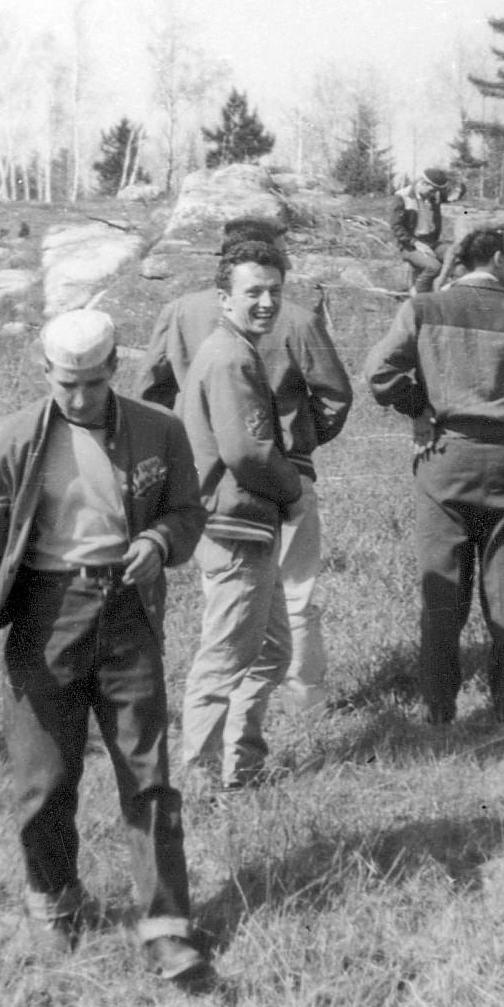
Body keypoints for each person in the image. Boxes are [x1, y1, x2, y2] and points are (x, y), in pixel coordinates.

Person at [0, 309, 211, 982]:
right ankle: (53, 900)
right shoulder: (10, 439)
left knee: (147, 776)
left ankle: (166, 923)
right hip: (45, 613)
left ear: (114, 367)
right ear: (44, 371)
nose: (81, 397)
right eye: (67, 384)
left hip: (126, 612)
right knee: (45, 777)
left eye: (94, 382)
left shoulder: (160, 429)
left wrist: (158, 541)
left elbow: (187, 511)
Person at [139, 217, 352, 718]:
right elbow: (335, 395)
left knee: (225, 591)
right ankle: (304, 702)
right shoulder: (295, 317)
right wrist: (298, 445)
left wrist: (187, 448)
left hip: (207, 482)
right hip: (283, 475)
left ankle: (232, 702)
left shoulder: (179, 311)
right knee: (294, 592)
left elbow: (152, 394)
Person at [364, 213, 504, 724]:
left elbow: (379, 371)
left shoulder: (424, 307)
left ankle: (439, 711)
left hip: (444, 457)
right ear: (497, 256)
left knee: (442, 592)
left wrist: (419, 408)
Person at [180, 241, 305, 788]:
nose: (266, 302)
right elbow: (247, 452)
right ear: (224, 297)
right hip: (235, 528)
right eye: (253, 291)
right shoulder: (231, 357)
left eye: (275, 291)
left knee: (272, 651)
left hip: (245, 526)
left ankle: (242, 768)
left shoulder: (233, 349)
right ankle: (200, 786)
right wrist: (293, 491)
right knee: (224, 659)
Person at [390, 167, 467, 294]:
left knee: (456, 254)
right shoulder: (402, 197)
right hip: (410, 245)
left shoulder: (433, 195)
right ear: (423, 183)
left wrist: (460, 185)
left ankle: (449, 293)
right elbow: (396, 227)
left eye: (436, 191)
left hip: (432, 242)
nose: (433, 194)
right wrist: (416, 243)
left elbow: (454, 194)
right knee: (434, 267)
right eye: (432, 190)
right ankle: (415, 296)